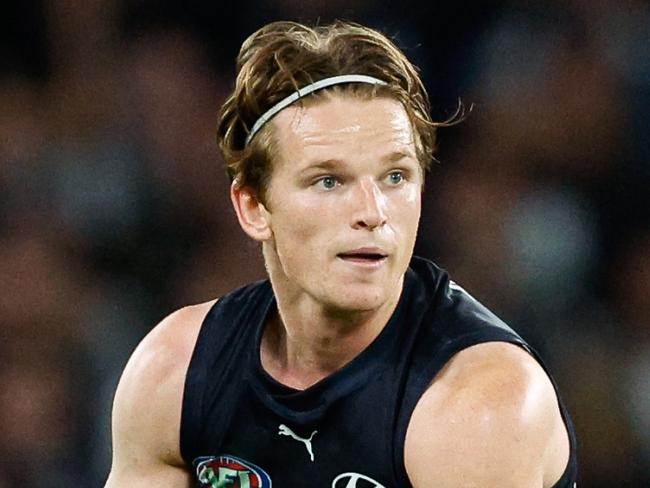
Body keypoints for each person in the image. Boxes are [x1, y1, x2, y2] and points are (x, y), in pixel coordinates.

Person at [105, 20, 578, 488]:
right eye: (329, 181)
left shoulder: (480, 405)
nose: (373, 213)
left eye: (395, 177)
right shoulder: (178, 371)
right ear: (253, 207)